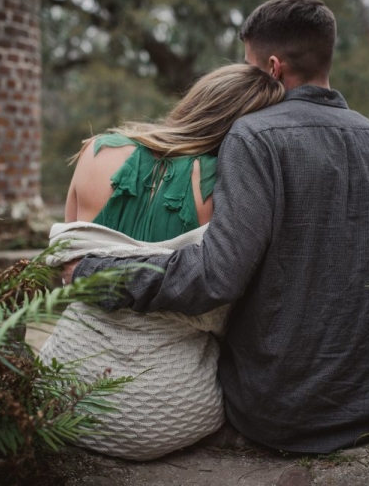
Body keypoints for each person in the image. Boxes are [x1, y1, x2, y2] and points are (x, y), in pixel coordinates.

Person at [68, 0, 369, 454]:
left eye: (249, 64)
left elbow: (216, 277)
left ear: (272, 67)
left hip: (275, 412)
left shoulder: (254, 137)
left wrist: (90, 272)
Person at [40, 63, 285, 461]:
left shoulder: (96, 151)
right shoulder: (228, 189)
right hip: (174, 411)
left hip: (66, 391)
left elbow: (68, 264)